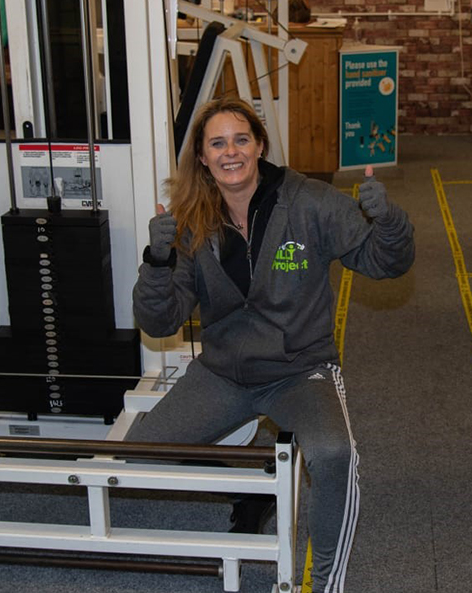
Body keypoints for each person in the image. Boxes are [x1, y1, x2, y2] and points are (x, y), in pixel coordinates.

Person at [129, 97, 415, 593]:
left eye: (241, 139)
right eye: (217, 143)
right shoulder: (190, 219)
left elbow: (385, 263)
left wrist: (387, 220)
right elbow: (159, 321)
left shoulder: (309, 202)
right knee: (140, 457)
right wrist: (156, 260)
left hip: (299, 370)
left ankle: (327, 582)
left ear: (259, 145)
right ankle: (255, 486)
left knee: (332, 454)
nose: (231, 152)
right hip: (224, 373)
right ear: (201, 156)